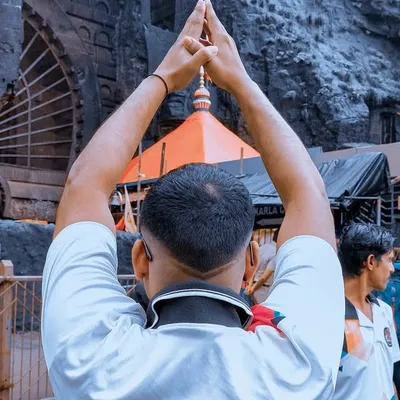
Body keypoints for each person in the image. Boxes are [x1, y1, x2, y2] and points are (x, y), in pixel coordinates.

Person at [41, 1, 344, 398]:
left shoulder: (90, 359)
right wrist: (242, 83)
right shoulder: (297, 367)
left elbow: (84, 183)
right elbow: (310, 193)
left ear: (139, 260)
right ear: (251, 263)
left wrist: (162, 78)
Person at [335, 223, 400, 400]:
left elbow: (386, 375)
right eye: (389, 260)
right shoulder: (332, 316)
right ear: (371, 261)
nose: (392, 268)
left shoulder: (384, 312)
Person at [246, 229, 278, 303]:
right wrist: (252, 289)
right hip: (263, 289)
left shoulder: (262, 247)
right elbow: (264, 277)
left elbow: (253, 267)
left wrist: (250, 286)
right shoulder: (275, 252)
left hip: (253, 286)